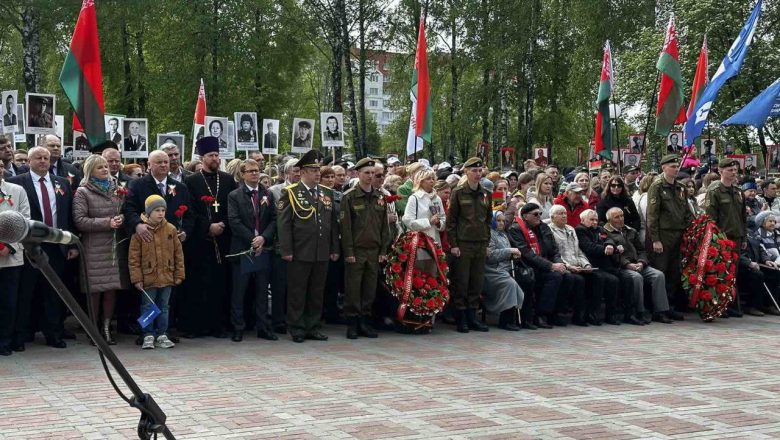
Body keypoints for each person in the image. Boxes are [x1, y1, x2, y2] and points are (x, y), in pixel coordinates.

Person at [8, 147, 78, 349]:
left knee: (54, 291)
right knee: (27, 292)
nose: (43, 161)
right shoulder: (17, 183)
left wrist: (71, 243)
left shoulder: (62, 183)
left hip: (56, 246)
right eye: (38, 158)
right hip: (29, 245)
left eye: (46, 158)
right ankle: (21, 335)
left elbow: (68, 215)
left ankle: (53, 333)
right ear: (28, 161)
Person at [278, 150, 339, 342]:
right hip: (300, 250)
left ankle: (313, 326)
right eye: (313, 169)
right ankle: (296, 327)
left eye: (318, 169)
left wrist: (334, 248)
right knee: (298, 291)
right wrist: (286, 250)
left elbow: (331, 223)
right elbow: (284, 224)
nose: (317, 173)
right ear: (303, 172)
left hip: (321, 250)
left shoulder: (327, 193)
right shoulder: (290, 192)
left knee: (316, 291)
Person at [183, 137, 237, 337]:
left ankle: (218, 325)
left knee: (220, 283)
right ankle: (196, 326)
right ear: (201, 157)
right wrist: (208, 227)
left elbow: (233, 207)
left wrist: (222, 225)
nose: (215, 159)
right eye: (211, 156)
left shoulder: (228, 179)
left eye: (217, 155)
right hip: (201, 241)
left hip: (223, 239)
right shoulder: (191, 181)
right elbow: (189, 211)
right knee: (198, 283)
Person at [73, 155, 127, 345]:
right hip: (94, 247)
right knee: (95, 291)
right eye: (100, 168)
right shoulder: (83, 192)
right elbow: (80, 221)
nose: (105, 169)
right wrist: (107, 223)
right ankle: (93, 329)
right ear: (90, 171)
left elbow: (123, 211)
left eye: (106, 166)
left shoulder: (116, 189)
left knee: (111, 289)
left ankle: (106, 327)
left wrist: (121, 219)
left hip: (113, 246)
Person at [227, 159, 277, 342]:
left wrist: (263, 237)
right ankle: (238, 327)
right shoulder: (235, 195)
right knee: (239, 291)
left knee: (262, 291)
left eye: (257, 170)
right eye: (250, 171)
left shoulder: (267, 194)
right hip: (243, 249)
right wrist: (252, 239)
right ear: (242, 174)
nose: (255, 174)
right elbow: (234, 221)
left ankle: (263, 327)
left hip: (263, 248)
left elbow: (273, 219)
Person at [340, 158, 390, 339]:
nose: (370, 176)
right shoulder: (350, 197)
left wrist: (383, 250)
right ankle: (352, 323)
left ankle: (365, 321)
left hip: (374, 250)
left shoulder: (380, 197)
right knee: (353, 289)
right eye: (366, 173)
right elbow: (345, 228)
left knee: (370, 289)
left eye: (373, 173)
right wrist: (349, 252)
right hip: (357, 250)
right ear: (358, 174)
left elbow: (385, 228)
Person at [129, 195, 185, 349]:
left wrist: (179, 273)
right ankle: (147, 334)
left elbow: (178, 253)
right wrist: (136, 278)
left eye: (163, 210)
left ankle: (162, 333)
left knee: (164, 305)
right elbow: (134, 257)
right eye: (156, 210)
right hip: (148, 276)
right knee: (148, 306)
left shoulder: (171, 229)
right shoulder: (140, 232)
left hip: (167, 275)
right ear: (148, 212)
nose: (160, 213)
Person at [603, 207, 673, 324]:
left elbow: (642, 250)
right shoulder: (606, 232)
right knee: (636, 278)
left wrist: (641, 262)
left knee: (658, 275)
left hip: (638, 263)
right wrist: (627, 264)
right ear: (610, 220)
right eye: (617, 217)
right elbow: (613, 256)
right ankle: (639, 311)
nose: (621, 219)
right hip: (621, 266)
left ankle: (660, 311)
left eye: (622, 216)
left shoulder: (631, 231)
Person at [507, 203, 571, 328]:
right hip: (528, 267)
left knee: (569, 277)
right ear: (525, 216)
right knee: (555, 277)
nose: (539, 217)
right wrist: (551, 266)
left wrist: (559, 263)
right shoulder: (516, 229)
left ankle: (555, 313)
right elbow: (527, 254)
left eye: (540, 214)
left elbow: (554, 250)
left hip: (546, 264)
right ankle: (541, 314)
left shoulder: (544, 228)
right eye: (535, 214)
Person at [447, 157, 492, 333]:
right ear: (466, 172)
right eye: (474, 171)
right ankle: (461, 318)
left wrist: (487, 242)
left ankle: (473, 317)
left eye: (480, 171)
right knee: (462, 282)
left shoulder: (486, 193)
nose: (477, 174)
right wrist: (454, 244)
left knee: (476, 282)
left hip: (480, 242)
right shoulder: (458, 192)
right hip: (463, 243)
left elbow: (488, 220)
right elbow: (452, 222)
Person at [645, 154, 691, 318]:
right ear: (663, 168)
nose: (676, 168)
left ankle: (669, 306)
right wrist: (655, 239)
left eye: (677, 165)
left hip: (678, 234)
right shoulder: (657, 187)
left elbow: (686, 211)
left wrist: (689, 229)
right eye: (672, 166)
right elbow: (652, 215)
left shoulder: (680, 188)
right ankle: (657, 308)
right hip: (663, 235)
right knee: (660, 271)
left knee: (674, 272)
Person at [704, 158, 747, 317]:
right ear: (721, 171)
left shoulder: (737, 191)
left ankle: (732, 305)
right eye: (730, 170)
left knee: (733, 273)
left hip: (736, 236)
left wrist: (744, 238)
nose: (733, 173)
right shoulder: (714, 190)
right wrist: (715, 239)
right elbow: (711, 218)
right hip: (721, 237)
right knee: (720, 273)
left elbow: (743, 217)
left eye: (735, 170)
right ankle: (719, 306)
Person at [0, 160, 30, 356]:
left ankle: (5, 340)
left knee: (8, 302)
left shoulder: (16, 190)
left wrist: (8, 245)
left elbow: (24, 219)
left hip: (10, 256)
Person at [575, 209, 622, 325]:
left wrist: (610, 245)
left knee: (618, 279)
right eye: (591, 220)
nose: (595, 222)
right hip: (590, 265)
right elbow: (589, 248)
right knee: (603, 279)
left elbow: (609, 238)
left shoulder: (600, 229)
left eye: (596, 220)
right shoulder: (580, 230)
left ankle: (612, 314)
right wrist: (608, 249)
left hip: (605, 265)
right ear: (583, 220)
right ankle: (593, 314)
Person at [547, 205, 590, 326]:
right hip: (562, 264)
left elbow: (578, 251)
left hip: (576, 264)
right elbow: (554, 253)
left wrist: (586, 264)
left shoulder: (571, 229)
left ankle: (583, 314)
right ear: (552, 217)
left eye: (565, 213)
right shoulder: (549, 230)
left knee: (593, 277)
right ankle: (560, 313)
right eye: (560, 213)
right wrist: (568, 266)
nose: (564, 216)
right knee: (574, 279)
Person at [484, 211, 524, 330]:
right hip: (491, 270)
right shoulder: (489, 235)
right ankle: (505, 320)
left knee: (526, 279)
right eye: (498, 220)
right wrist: (509, 251)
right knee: (509, 284)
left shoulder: (503, 234)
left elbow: (506, 253)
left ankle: (521, 318)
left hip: (504, 268)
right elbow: (490, 256)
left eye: (503, 221)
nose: (501, 223)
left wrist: (513, 255)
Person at [740, 211, 780, 316]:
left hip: (757, 264)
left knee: (774, 272)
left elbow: (761, 250)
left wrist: (767, 260)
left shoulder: (753, 235)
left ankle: (769, 304)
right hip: (744, 266)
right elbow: (739, 254)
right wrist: (749, 263)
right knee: (758, 276)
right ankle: (752, 306)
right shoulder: (740, 236)